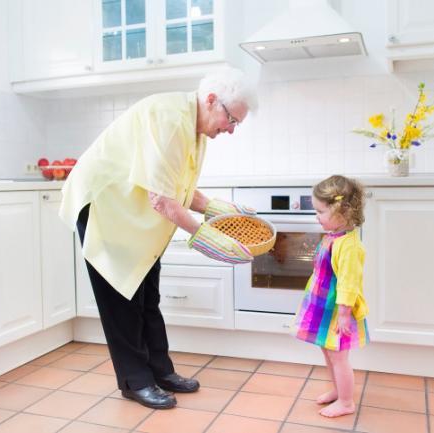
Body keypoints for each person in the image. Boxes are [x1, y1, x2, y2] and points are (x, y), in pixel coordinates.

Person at [59, 68, 258, 410]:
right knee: (122, 298)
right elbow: (163, 199)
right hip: (105, 206)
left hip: (132, 211)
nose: (230, 129)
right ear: (212, 100)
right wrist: (208, 237)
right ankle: (135, 381)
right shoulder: (169, 118)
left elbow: (180, 188)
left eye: (236, 123)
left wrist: (219, 209)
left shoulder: (196, 129)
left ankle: (160, 371)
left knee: (147, 295)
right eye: (231, 120)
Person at [292, 175, 370, 418]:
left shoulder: (349, 245)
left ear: (342, 211)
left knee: (338, 356)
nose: (316, 216)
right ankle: (338, 390)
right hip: (324, 306)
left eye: (320, 211)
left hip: (338, 310)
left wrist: (344, 314)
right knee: (328, 352)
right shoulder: (333, 236)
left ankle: (346, 402)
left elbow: (349, 283)